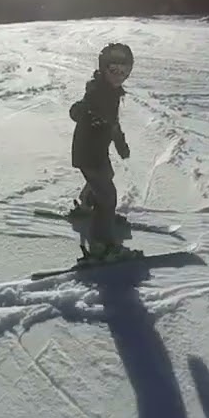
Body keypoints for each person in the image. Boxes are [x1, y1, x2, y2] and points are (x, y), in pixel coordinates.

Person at [68, 42, 139, 262]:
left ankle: (88, 205)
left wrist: (120, 145)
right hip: (88, 154)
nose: (119, 76)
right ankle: (101, 245)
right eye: (114, 70)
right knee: (108, 197)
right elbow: (78, 110)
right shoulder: (98, 92)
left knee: (106, 178)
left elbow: (113, 124)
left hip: (96, 152)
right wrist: (83, 111)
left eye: (124, 72)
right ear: (103, 68)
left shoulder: (111, 92)